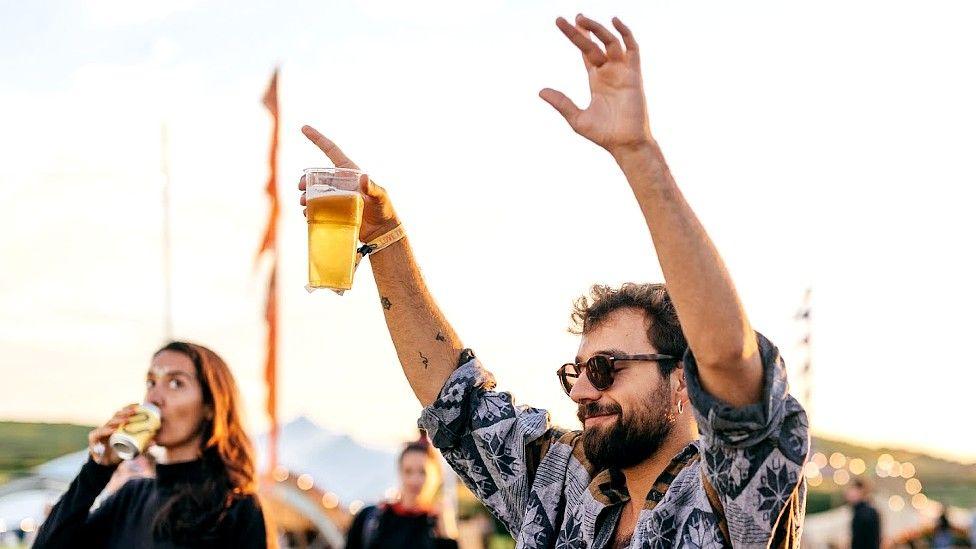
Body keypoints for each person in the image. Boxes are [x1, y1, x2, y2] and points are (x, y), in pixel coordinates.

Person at [299, 13, 808, 548]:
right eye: (577, 372)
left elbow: (729, 361)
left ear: (683, 378)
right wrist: (385, 238)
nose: (583, 391)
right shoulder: (562, 485)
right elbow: (456, 399)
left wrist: (638, 154)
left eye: (606, 369)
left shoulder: (730, 492)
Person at [34, 341, 271, 548]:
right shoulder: (131, 497)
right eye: (151, 383)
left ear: (210, 406)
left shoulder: (234, 509)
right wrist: (97, 469)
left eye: (176, 383)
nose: (154, 398)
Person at [346, 435, 458, 549]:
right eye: (408, 471)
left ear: (436, 476)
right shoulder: (370, 518)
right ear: (399, 473)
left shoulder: (437, 524)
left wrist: (446, 534)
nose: (414, 480)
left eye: (423, 472)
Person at [845, 477, 881, 549]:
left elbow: (864, 540)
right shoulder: (862, 510)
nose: (848, 493)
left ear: (861, 491)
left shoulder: (866, 513)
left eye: (852, 490)